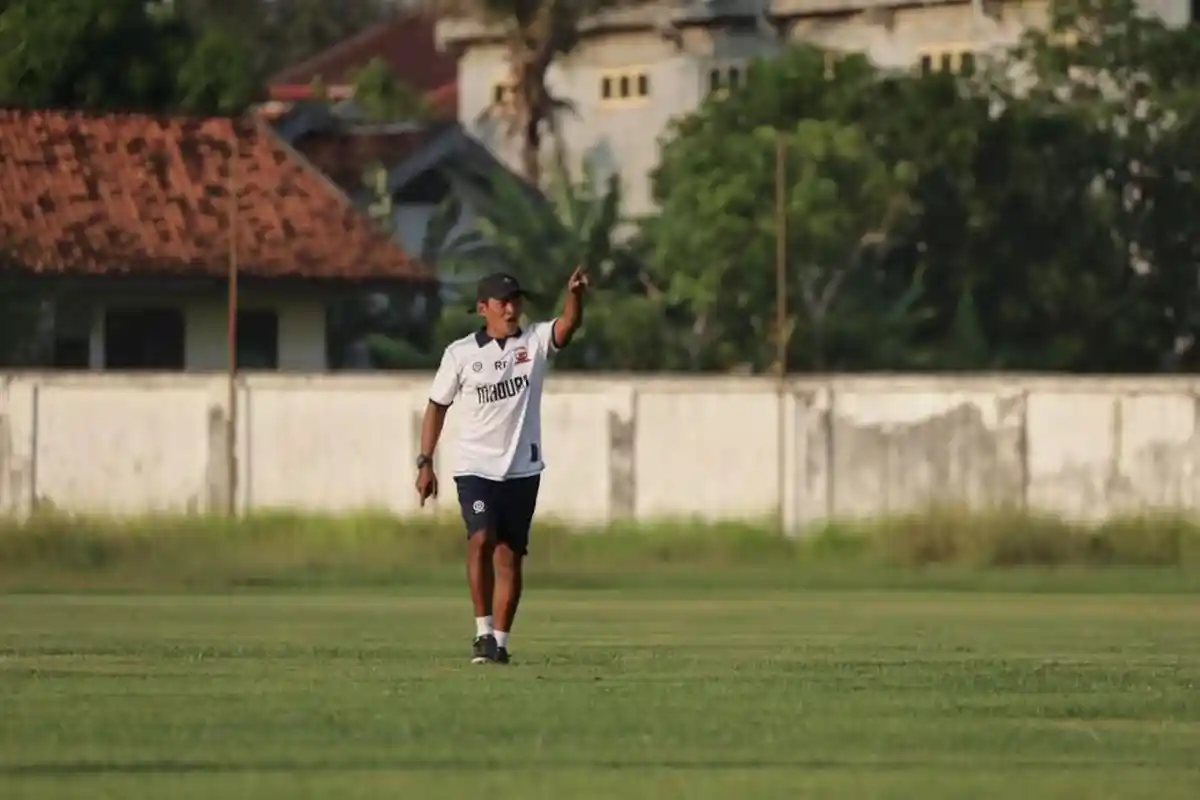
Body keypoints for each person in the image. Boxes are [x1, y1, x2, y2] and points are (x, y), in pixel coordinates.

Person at [415, 267, 589, 664]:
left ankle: (500, 643)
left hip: (522, 469)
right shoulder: (460, 354)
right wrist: (425, 461)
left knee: (509, 555)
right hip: (475, 468)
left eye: (516, 301)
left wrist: (575, 296)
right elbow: (436, 407)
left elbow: (568, 325)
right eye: (502, 303)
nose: (511, 309)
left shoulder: (534, 342)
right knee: (480, 539)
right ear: (483, 308)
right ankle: (481, 632)